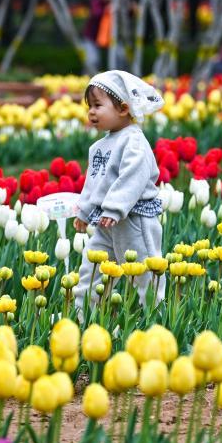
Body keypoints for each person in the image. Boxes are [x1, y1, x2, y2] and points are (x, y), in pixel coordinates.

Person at [73, 71, 166, 309]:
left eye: (97, 105)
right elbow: (93, 182)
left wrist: (115, 208)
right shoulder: (99, 147)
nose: (91, 112)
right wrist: (84, 211)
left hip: (134, 219)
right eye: (89, 106)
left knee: (145, 272)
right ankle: (83, 314)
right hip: (105, 223)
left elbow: (133, 178)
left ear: (123, 109)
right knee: (91, 269)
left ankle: (155, 317)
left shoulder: (133, 141)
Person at [81, 0, 119, 71]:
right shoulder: (96, 1)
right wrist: (108, 10)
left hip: (111, 39)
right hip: (92, 37)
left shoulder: (116, 2)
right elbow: (96, 13)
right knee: (92, 60)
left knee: (119, 57)